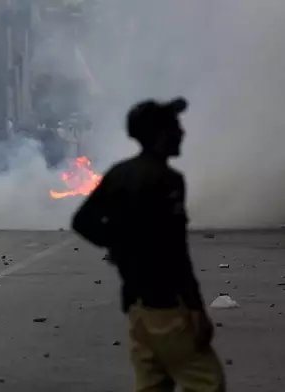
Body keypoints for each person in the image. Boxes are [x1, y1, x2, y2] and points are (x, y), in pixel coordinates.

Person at [71, 97, 226, 392]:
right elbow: (176, 252)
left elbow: (83, 221)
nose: (182, 133)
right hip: (166, 305)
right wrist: (195, 308)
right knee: (208, 383)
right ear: (159, 135)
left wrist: (119, 245)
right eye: (175, 127)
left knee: (152, 384)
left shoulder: (120, 173)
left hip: (135, 305)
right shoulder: (167, 180)